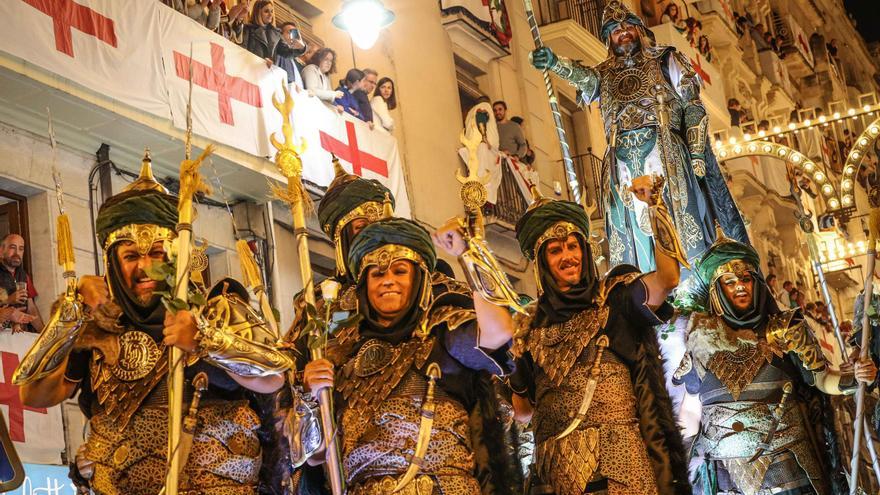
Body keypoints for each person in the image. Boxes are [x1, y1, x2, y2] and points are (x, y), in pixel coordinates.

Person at [15, 156, 289, 494]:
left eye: (157, 253)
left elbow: (274, 375)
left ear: (177, 256)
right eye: (131, 256)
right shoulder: (100, 329)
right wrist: (72, 315)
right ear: (113, 263)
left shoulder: (217, 310)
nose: (144, 267)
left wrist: (203, 340)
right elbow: (33, 393)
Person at [300, 216, 517, 493]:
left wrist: (468, 254)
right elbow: (318, 456)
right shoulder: (342, 356)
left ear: (419, 280)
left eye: (399, 271)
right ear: (364, 287)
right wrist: (310, 397)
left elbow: (499, 332)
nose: (388, 281)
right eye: (378, 274)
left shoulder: (441, 334)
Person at [530, 0, 748, 273]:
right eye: (614, 29)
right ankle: (642, 287)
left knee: (679, 220)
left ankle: (692, 283)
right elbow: (584, 79)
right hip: (621, 161)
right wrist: (554, 63)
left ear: (639, 29)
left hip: (665, 151)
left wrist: (695, 155)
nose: (622, 31)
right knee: (633, 230)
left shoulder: (666, 58)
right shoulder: (604, 73)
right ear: (608, 37)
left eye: (626, 26)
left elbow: (693, 103)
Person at [508, 176, 691, 495]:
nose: (568, 257)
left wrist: (655, 206)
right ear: (541, 263)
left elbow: (668, 278)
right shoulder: (528, 327)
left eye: (573, 246)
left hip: (622, 468)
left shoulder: (615, 300)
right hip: (556, 473)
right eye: (555, 250)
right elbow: (523, 411)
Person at [673, 226, 876, 494]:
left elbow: (821, 379)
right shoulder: (700, 343)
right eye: (730, 282)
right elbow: (690, 410)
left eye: (745, 279)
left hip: (787, 469)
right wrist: (676, 458)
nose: (740, 287)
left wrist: (855, 378)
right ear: (716, 291)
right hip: (724, 477)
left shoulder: (785, 330)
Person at [0, 233, 43, 332]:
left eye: (21, 249)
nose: (17, 253)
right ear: (1, 251)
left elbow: (31, 308)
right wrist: (8, 300)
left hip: (19, 336)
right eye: (12, 247)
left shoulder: (23, 275)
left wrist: (43, 333)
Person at [241, 0, 281, 66]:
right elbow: (242, 51)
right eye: (266, 11)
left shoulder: (277, 33)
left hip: (268, 73)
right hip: (251, 68)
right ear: (258, 13)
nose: (270, 14)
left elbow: (286, 51)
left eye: (271, 11)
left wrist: (301, 47)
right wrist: (261, 61)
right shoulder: (248, 29)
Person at [275, 21, 308, 90]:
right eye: (289, 32)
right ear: (281, 34)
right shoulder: (278, 50)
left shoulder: (297, 62)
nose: (291, 36)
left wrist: (301, 46)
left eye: (294, 33)